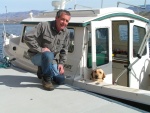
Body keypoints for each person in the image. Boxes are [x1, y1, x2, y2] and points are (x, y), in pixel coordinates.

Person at [24, 10, 71, 91]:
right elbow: (28, 37)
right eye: (62, 19)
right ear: (56, 18)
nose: (64, 23)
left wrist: (61, 64)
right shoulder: (44, 25)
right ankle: (46, 80)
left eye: (67, 21)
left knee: (60, 80)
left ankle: (42, 69)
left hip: (51, 59)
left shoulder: (66, 32)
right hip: (36, 56)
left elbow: (64, 49)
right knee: (48, 54)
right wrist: (40, 49)